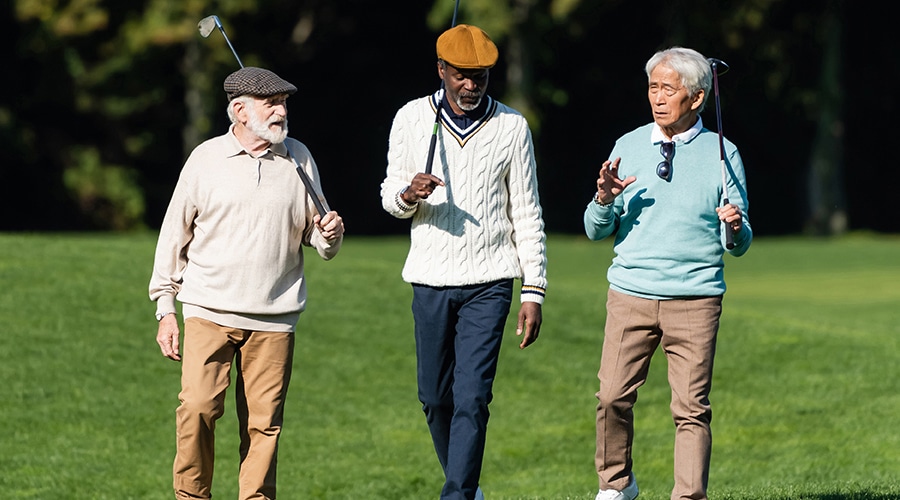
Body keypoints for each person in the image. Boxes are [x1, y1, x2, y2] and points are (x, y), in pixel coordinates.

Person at [149, 66, 344, 500]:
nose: (281, 112)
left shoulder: (299, 157)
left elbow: (317, 235)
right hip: (208, 311)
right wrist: (165, 309)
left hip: (275, 319)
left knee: (264, 425)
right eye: (270, 104)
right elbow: (172, 237)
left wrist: (329, 235)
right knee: (197, 408)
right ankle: (191, 496)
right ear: (239, 110)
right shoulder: (204, 159)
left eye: (284, 103)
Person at [380, 24, 548, 500]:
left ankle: (457, 492)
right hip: (430, 279)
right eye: (462, 76)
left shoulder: (512, 127)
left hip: (490, 281)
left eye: (481, 76)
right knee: (435, 399)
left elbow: (527, 212)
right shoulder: (411, 118)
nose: (471, 85)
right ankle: (467, 485)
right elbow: (390, 199)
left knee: (473, 397)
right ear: (441, 70)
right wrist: (409, 193)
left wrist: (533, 289)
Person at [584, 47, 752, 500]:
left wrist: (734, 227)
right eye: (653, 87)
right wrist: (603, 200)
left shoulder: (723, 152)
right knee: (612, 397)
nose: (657, 98)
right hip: (631, 293)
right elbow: (594, 230)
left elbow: (738, 242)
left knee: (692, 410)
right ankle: (616, 485)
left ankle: (688, 497)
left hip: (696, 300)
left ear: (697, 98)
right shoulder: (628, 145)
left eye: (668, 89)